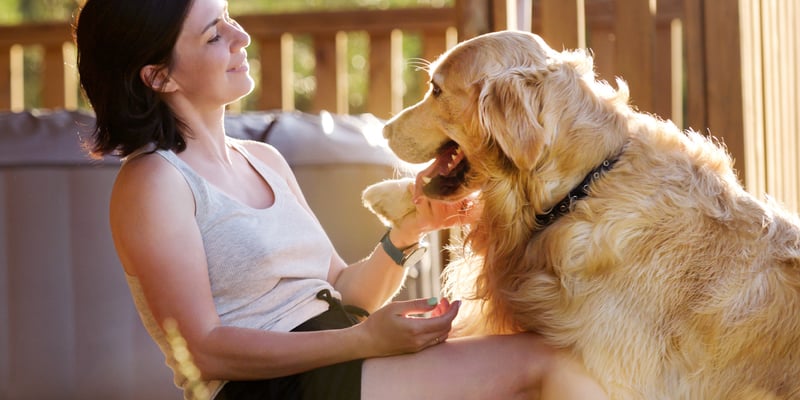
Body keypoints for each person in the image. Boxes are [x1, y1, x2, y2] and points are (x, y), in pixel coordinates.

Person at [74, 0, 608, 399]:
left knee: (563, 346)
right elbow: (202, 347)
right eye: (215, 35)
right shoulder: (154, 183)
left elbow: (347, 294)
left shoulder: (264, 160)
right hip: (269, 388)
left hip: (337, 359)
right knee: (546, 363)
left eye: (230, 17)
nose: (241, 36)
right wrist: (364, 342)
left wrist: (407, 233)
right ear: (158, 75)